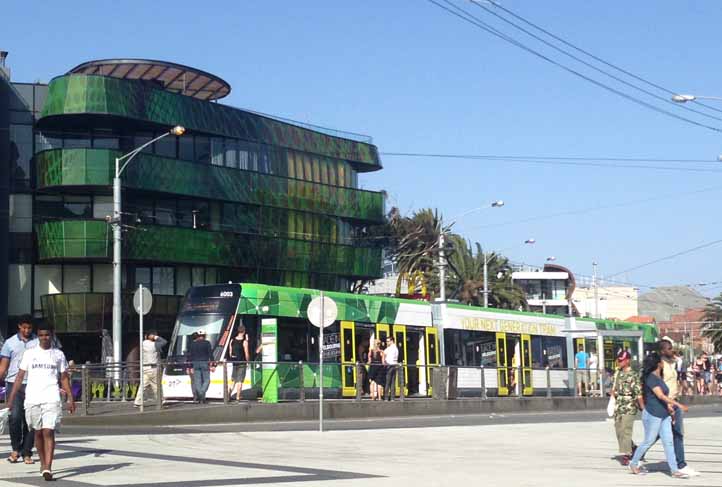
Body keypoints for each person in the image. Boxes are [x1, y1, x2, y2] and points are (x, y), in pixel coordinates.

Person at [7, 323, 75, 481]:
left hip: (51, 397)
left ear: (52, 335)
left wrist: (71, 399)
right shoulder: (30, 354)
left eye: (47, 335)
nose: (44, 338)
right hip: (32, 398)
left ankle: (48, 468)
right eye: (41, 335)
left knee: (48, 431)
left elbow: (64, 378)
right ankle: (42, 462)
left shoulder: (58, 354)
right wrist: (11, 398)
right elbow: (19, 377)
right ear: (38, 336)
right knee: (37, 432)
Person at [628, 352, 689, 478]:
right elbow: (660, 395)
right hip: (652, 414)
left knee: (668, 442)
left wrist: (669, 408)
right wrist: (678, 405)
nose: (663, 363)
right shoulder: (650, 378)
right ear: (658, 364)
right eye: (662, 361)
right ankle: (633, 463)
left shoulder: (658, 377)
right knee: (649, 440)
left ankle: (674, 470)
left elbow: (662, 398)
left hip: (664, 414)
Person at [656, 339, 699, 476]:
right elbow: (658, 386)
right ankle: (637, 456)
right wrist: (668, 404)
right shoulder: (660, 365)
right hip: (665, 403)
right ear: (662, 351)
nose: (672, 350)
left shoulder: (671, 363)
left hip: (675, 401)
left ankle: (681, 464)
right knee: (657, 435)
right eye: (669, 348)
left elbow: (679, 372)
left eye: (672, 348)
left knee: (676, 433)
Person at [0, 315, 38, 464]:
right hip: (13, 384)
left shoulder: (38, 342)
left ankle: (26, 451)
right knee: (14, 417)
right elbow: (3, 366)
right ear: (19, 327)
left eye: (29, 328)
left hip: (33, 384)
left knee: (30, 420)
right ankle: (16, 448)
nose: (27, 330)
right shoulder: (10, 343)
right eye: (24, 327)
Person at [610, 351, 643, 466]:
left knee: (626, 429)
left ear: (628, 360)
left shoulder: (633, 375)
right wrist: (612, 392)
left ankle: (627, 454)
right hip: (618, 405)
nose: (619, 362)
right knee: (618, 430)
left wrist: (642, 407)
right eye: (619, 360)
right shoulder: (617, 373)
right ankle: (633, 447)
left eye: (622, 360)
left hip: (629, 405)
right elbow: (613, 387)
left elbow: (638, 393)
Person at [134, 330, 167, 407]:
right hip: (153, 368)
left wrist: (150, 336)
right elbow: (164, 342)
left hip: (144, 367)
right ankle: (160, 400)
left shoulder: (142, 343)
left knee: (143, 385)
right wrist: (156, 337)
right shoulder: (154, 345)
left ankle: (137, 402)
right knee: (156, 385)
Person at [187, 330, 213, 404]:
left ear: (198, 335)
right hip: (205, 362)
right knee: (207, 380)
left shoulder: (192, 344)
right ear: (204, 335)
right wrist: (213, 364)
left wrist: (190, 366)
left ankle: (200, 396)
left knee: (197, 381)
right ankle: (202, 393)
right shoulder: (207, 343)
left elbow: (190, 356)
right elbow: (210, 354)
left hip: (195, 363)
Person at [228, 326, 250, 402]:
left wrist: (232, 358)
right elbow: (246, 353)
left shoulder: (232, 340)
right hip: (242, 362)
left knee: (233, 380)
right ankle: (238, 396)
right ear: (244, 331)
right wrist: (248, 361)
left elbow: (230, 352)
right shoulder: (244, 341)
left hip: (234, 362)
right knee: (240, 381)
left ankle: (228, 395)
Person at [383, 337, 399, 401]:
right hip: (395, 366)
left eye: (388, 341)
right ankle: (392, 398)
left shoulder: (389, 348)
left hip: (389, 365)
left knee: (387, 382)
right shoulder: (396, 348)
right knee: (392, 383)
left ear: (392, 341)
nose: (387, 343)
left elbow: (383, 353)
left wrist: (384, 361)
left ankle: (386, 398)